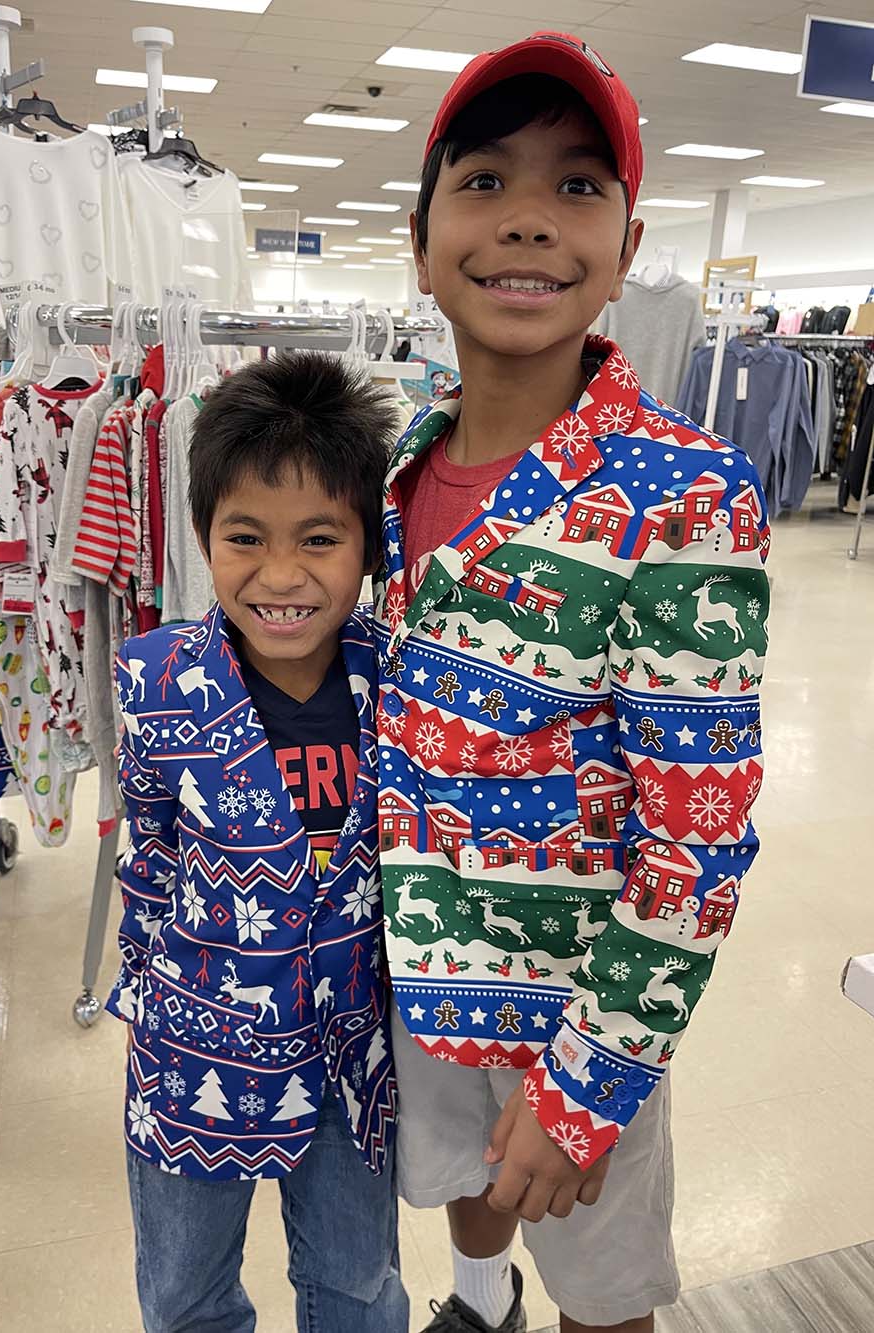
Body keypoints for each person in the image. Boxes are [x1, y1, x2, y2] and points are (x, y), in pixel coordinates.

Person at [376, 30, 770, 1333]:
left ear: (631, 243)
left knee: (604, 1294)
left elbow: (697, 841)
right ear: (422, 238)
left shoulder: (683, 493)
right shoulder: (387, 478)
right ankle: (476, 1302)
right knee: (466, 1195)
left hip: (573, 1010)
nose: (528, 222)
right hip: (423, 981)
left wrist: (588, 1083)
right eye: (483, 182)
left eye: (578, 186)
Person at [107, 352, 407, 1333]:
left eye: (319, 538)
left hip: (350, 1059)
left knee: (358, 1284)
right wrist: (158, 992)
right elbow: (146, 856)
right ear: (203, 536)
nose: (281, 576)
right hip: (196, 1056)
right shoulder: (156, 681)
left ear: (367, 544)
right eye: (245, 537)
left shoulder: (396, 680)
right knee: (188, 1292)